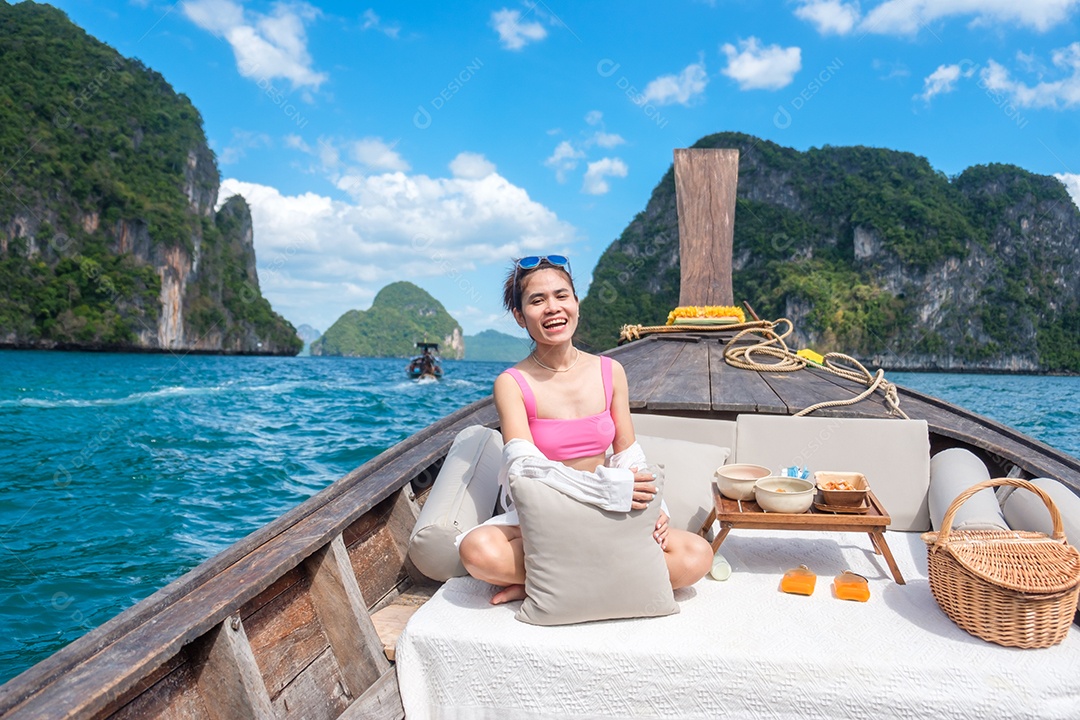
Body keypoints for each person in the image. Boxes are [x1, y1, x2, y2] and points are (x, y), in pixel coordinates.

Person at [458, 255, 714, 604]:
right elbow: (524, 468)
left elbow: (628, 454)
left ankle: (549, 581)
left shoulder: (611, 371)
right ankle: (606, 580)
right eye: (537, 300)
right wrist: (607, 490)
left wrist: (658, 509)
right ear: (520, 316)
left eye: (562, 296)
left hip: (610, 511)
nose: (552, 308)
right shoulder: (512, 383)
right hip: (548, 517)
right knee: (478, 551)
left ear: (576, 302)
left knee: (697, 554)